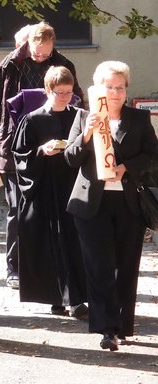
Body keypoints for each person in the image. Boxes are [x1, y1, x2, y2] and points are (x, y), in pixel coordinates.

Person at [64, 61, 158, 351]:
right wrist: (87, 134)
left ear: (126, 90)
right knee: (99, 266)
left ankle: (122, 324)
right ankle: (106, 328)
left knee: (125, 267)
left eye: (119, 87)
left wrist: (127, 167)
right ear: (98, 89)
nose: (114, 92)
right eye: (109, 86)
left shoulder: (138, 120)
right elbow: (70, 157)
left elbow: (154, 159)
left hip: (128, 203)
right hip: (92, 204)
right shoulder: (84, 116)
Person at [0, 21, 84, 289]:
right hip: (14, 147)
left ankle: (53, 269)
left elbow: (78, 100)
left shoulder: (63, 63)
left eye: (45, 54)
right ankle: (14, 268)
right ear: (28, 44)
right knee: (18, 210)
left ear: (53, 46)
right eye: (37, 53)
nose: (41, 58)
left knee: (56, 209)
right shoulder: (9, 65)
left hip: (58, 145)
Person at [11, 66, 88, 318]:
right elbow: (20, 156)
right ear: (47, 90)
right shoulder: (32, 120)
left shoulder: (79, 116)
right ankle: (57, 297)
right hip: (44, 188)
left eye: (69, 93)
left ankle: (75, 298)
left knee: (74, 242)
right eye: (59, 93)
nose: (65, 97)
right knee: (51, 242)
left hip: (72, 186)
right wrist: (41, 151)